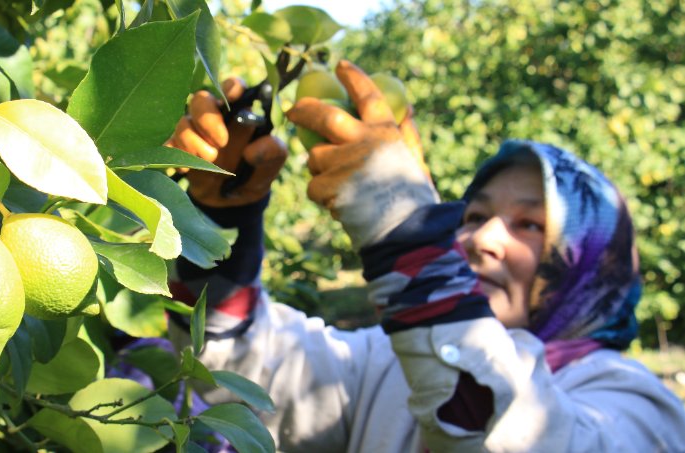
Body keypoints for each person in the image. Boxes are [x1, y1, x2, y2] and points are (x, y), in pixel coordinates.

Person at [165, 60, 685, 452]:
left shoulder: (640, 408)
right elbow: (243, 365)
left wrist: (403, 228)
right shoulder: (387, 362)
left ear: (594, 265)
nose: (482, 239)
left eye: (529, 224)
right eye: (474, 216)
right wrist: (218, 219)